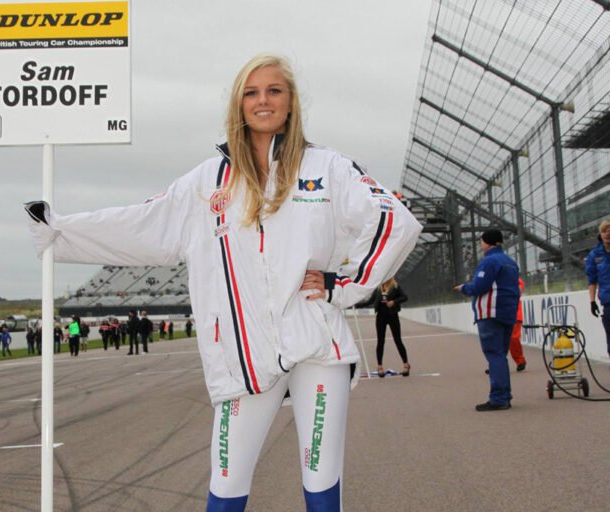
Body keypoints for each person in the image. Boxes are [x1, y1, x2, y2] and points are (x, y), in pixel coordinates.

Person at [25, 53, 421, 510]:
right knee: (227, 486)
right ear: (238, 105)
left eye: (274, 90)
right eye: (251, 93)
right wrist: (61, 230)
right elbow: (143, 222)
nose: (263, 100)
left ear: (291, 103)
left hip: (317, 345)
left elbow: (396, 221)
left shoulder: (328, 168)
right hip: (242, 358)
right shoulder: (206, 183)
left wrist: (345, 285)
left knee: (322, 482)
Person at [455, 229, 520, 412]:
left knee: (494, 355)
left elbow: (479, 286)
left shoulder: (489, 261)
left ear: (487, 242)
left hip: (490, 313)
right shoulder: (511, 262)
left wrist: (464, 288)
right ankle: (505, 396)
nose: (481, 245)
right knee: (501, 355)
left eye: (482, 241)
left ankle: (499, 397)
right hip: (508, 312)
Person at [363, 278, 410, 378]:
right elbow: (370, 301)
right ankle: (380, 366)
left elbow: (405, 297)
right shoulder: (378, 288)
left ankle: (406, 364)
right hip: (380, 317)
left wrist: (394, 301)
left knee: (398, 340)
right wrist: (354, 304)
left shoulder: (395, 287)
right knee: (380, 342)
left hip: (393, 316)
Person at [586, 219, 610, 358]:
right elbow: (592, 281)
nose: (608, 233)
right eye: (604, 231)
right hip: (608, 302)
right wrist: (592, 301)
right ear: (600, 234)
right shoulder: (595, 255)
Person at [508, 278, 527, 372]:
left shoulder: (517, 280)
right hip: (499, 314)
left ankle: (520, 361)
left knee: (513, 338)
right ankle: (496, 364)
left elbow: (517, 292)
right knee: (498, 340)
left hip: (515, 314)